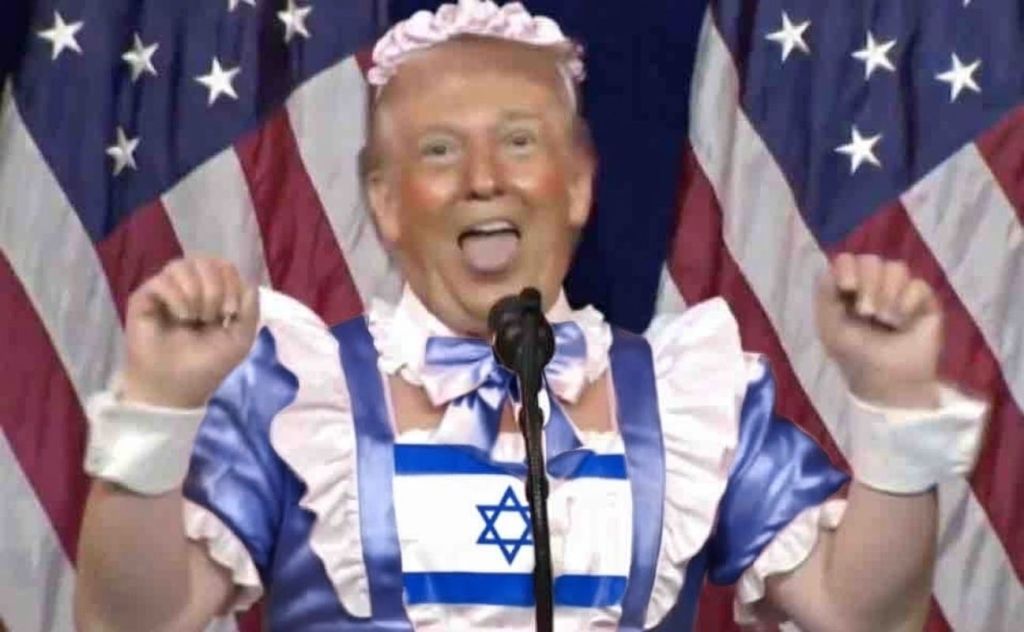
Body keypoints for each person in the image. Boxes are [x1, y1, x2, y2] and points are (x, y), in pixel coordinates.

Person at [73, 1, 987, 630]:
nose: (484, 179)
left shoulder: (686, 399)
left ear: (578, 183)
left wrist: (895, 409)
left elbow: (863, 615)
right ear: (385, 203)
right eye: (440, 150)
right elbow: (131, 621)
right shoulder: (297, 392)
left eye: (518, 141)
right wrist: (158, 409)